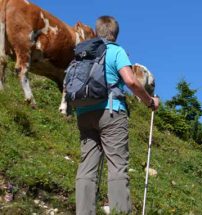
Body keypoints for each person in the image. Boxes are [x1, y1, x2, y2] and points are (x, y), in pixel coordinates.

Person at [75, 16, 159, 214]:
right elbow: (130, 81)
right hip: (111, 112)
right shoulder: (116, 51)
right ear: (115, 33)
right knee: (117, 167)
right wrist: (149, 101)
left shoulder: (83, 53)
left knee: (87, 168)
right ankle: (120, 212)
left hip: (84, 113)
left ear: (96, 32)